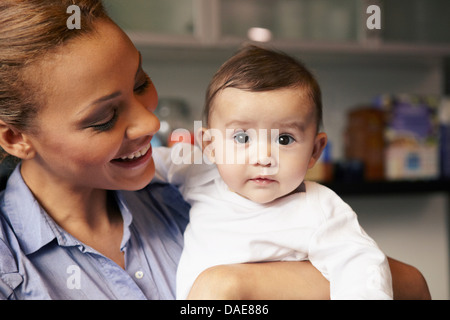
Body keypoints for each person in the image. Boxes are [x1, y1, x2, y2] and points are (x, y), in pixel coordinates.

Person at [0, 0, 430, 300]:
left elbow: (410, 285)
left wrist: (229, 288)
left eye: (140, 83)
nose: (151, 124)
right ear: (15, 138)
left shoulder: (190, 187)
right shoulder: (10, 264)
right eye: (104, 117)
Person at [154, 46, 394, 299]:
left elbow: (363, 269)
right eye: (242, 137)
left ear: (315, 149)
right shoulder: (200, 174)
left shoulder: (318, 208)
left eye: (284, 139)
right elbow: (150, 161)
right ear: (210, 146)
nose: (264, 158)